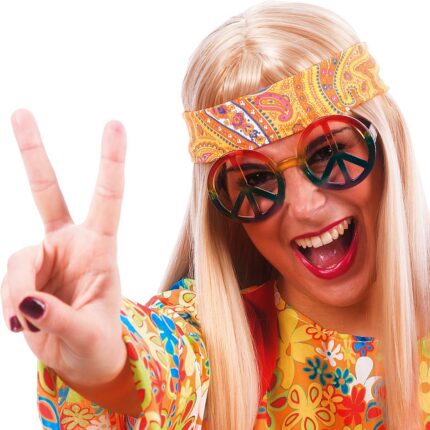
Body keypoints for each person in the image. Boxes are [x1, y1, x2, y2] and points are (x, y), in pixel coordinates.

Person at [2, 1, 430, 429]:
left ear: (386, 143)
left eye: (330, 152)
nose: (305, 206)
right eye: (256, 179)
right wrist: (100, 362)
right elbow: (159, 369)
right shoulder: (221, 341)